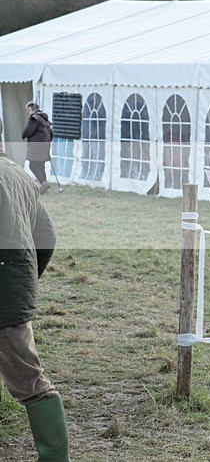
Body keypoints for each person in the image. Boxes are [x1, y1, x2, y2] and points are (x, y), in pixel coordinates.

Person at [0, 118, 68, 460]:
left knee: (29, 379)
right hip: (12, 287)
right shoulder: (18, 173)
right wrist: (26, 278)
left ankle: (55, 458)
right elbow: (47, 236)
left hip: (5, 295)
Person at [21, 101, 54, 195]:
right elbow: (51, 133)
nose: (27, 112)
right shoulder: (46, 120)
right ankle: (45, 184)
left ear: (34, 110)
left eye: (28, 110)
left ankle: (44, 183)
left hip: (37, 147)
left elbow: (28, 131)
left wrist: (23, 134)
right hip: (45, 146)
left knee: (33, 165)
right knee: (40, 166)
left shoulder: (34, 118)